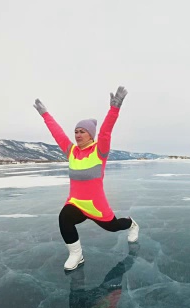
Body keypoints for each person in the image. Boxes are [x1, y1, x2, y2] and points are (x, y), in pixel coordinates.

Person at [33, 86, 139, 271]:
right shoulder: (72, 151)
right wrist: (45, 114)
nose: (78, 135)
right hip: (76, 203)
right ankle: (76, 255)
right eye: (76, 131)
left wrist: (114, 109)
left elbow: (106, 131)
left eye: (82, 131)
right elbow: (57, 133)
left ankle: (131, 223)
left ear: (90, 134)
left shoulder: (99, 151)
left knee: (113, 227)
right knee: (64, 218)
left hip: (96, 205)